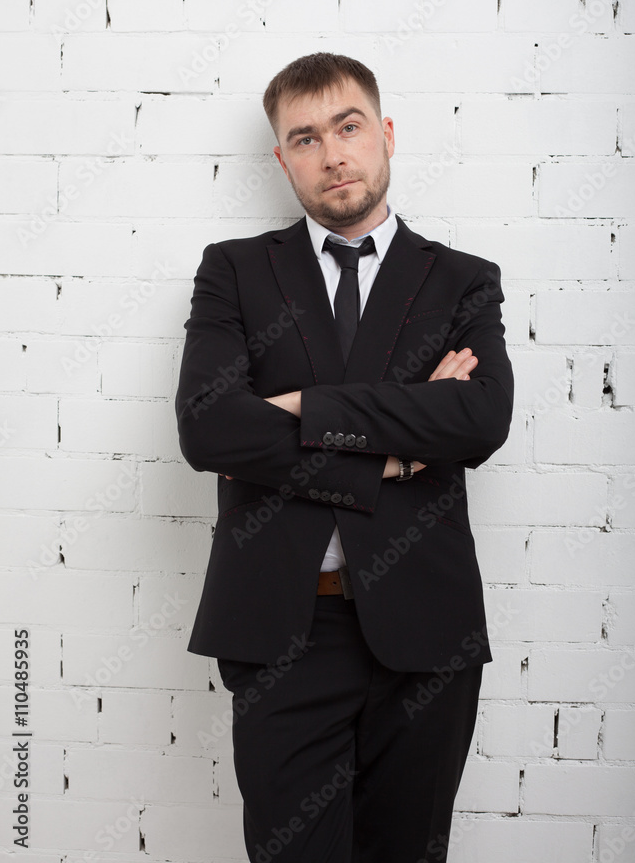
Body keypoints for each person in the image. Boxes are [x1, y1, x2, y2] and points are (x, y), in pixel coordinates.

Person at [175, 52, 514, 863]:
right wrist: (394, 454)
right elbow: (210, 431)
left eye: (348, 127)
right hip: (282, 631)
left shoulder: (461, 281)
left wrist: (302, 406)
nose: (332, 154)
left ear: (385, 133)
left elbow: (478, 419)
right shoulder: (235, 270)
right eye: (305, 138)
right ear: (281, 157)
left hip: (425, 631)